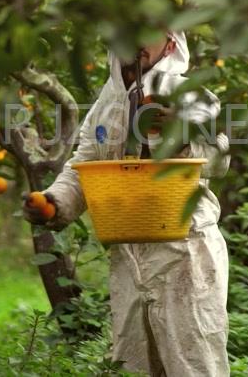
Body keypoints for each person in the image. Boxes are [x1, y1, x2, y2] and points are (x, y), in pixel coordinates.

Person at [23, 30, 231, 376]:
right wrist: (53, 202)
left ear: (169, 44)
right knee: (133, 364)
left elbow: (219, 159)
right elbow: (85, 166)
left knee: (194, 362)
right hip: (129, 254)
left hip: (185, 252)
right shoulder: (106, 106)